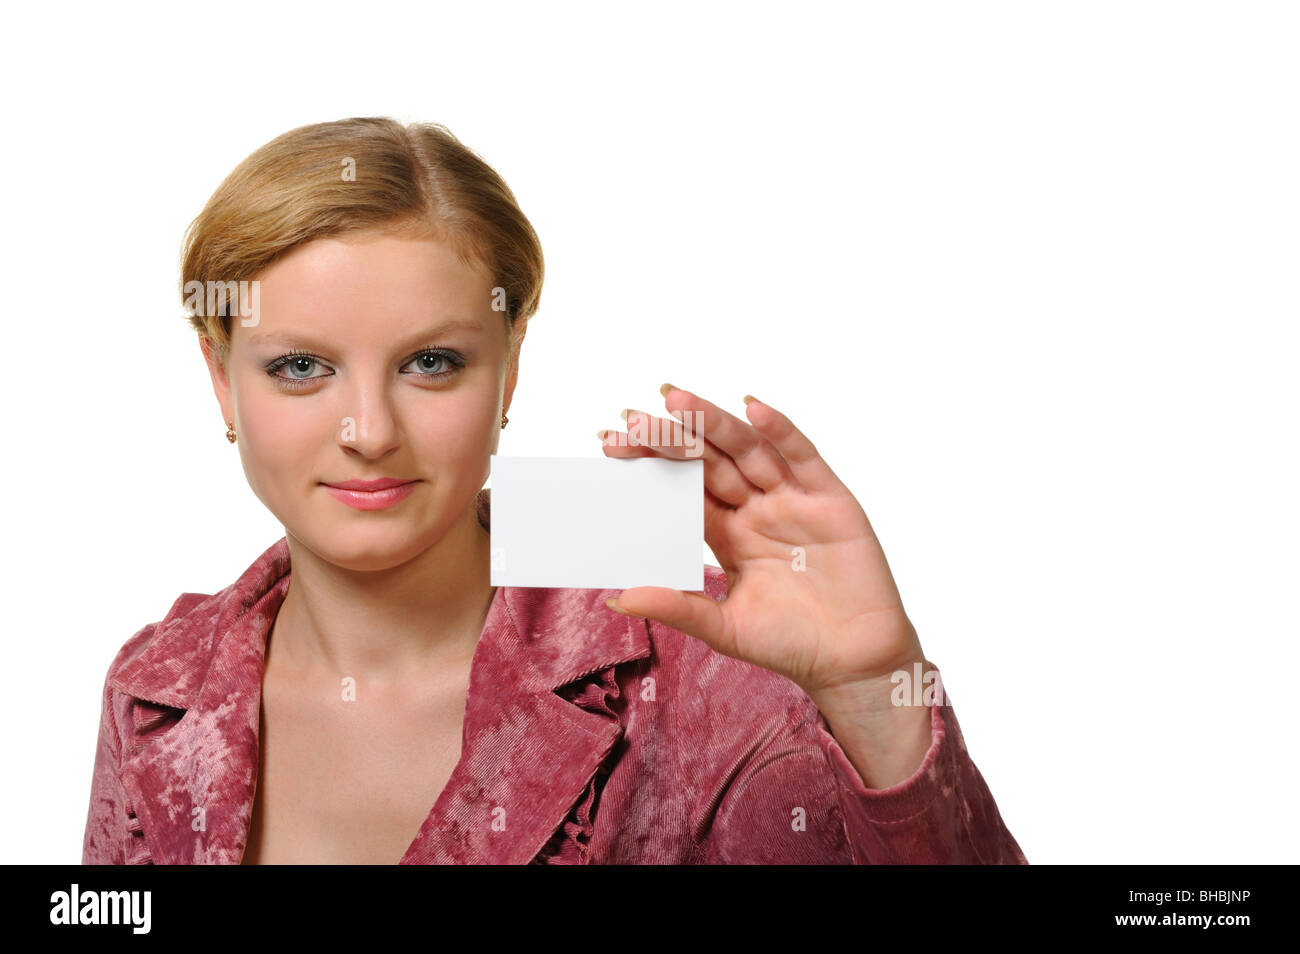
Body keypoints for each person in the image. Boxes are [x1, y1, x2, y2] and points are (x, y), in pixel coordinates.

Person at [81, 117, 1027, 864]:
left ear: (510, 371)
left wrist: (875, 697)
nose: (368, 430)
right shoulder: (157, 683)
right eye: (298, 367)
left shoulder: (688, 634)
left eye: (432, 362)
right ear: (220, 382)